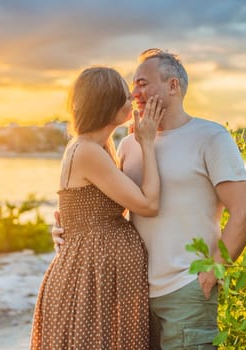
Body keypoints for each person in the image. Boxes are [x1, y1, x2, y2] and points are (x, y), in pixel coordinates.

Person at [53, 49, 246, 350]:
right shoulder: (129, 145)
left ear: (173, 86)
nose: (135, 92)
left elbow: (244, 213)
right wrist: (68, 229)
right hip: (132, 292)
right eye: (133, 85)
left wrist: (215, 267)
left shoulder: (211, 137)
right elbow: (111, 210)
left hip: (185, 289)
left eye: (143, 83)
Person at [30, 66, 165, 350]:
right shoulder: (88, 151)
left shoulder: (99, 147)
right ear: (108, 104)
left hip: (98, 276)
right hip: (91, 279)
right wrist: (148, 144)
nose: (134, 102)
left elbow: (91, 210)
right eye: (127, 98)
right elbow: (148, 204)